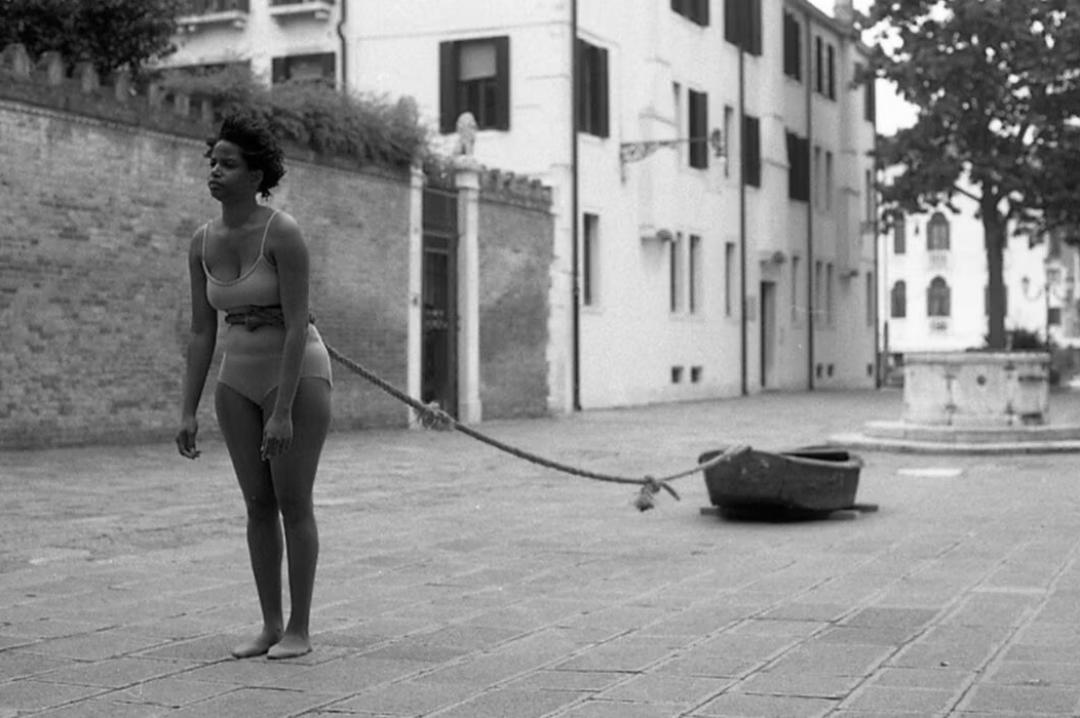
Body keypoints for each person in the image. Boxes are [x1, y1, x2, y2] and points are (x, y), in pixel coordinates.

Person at [176, 112, 333, 660]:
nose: (215, 172)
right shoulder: (201, 242)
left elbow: (297, 324)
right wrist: (188, 409)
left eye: (228, 164)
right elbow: (202, 331)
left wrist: (283, 410)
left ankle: (299, 630)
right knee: (257, 504)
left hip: (296, 376)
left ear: (256, 174)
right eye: (212, 162)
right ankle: (269, 625)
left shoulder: (282, 232)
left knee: (294, 502)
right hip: (236, 379)